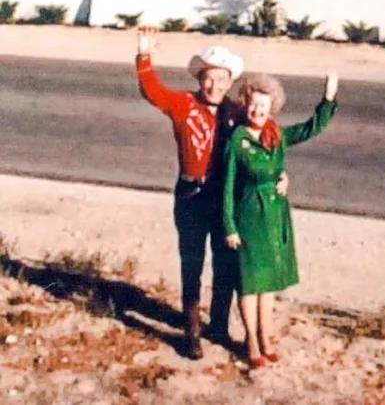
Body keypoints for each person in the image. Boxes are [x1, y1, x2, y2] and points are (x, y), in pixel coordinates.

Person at [135, 29, 289, 359]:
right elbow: (152, 91)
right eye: (208, 78)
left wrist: (280, 173)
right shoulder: (183, 104)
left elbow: (268, 132)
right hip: (191, 195)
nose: (214, 85)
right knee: (192, 263)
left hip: (224, 199)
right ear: (199, 78)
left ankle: (218, 325)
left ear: (229, 81)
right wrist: (144, 56)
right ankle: (191, 330)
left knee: (225, 264)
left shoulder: (236, 112)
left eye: (221, 79)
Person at [223, 71, 338, 368]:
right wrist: (230, 226)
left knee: (268, 283)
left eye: (263, 106)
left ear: (271, 108)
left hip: (274, 216)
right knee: (249, 283)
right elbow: (227, 186)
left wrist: (328, 98)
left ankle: (266, 337)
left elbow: (311, 128)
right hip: (248, 216)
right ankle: (251, 340)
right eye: (253, 105)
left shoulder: (277, 135)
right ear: (245, 105)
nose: (257, 111)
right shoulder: (237, 140)